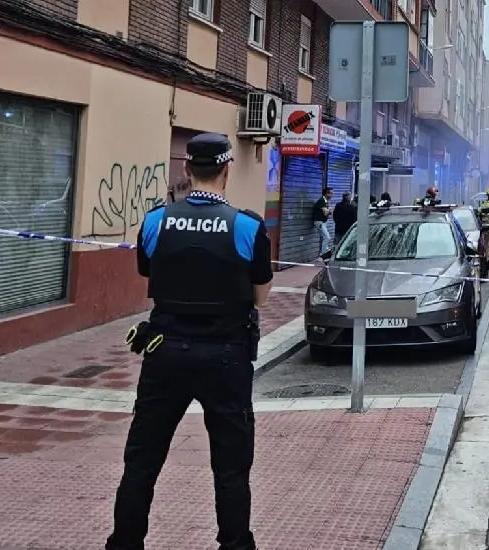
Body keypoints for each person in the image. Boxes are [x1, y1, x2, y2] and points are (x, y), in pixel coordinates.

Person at [106, 133, 272, 550]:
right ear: (227, 170)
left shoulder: (156, 220)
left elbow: (148, 273)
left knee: (141, 462)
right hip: (226, 356)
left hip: (164, 351)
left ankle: (125, 543)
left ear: (186, 169)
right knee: (231, 468)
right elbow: (260, 296)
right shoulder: (249, 225)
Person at [312, 187, 333, 258]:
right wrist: (330, 211)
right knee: (327, 237)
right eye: (331, 193)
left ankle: (324, 251)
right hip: (319, 222)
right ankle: (324, 253)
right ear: (326, 193)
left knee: (324, 237)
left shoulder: (325, 201)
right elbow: (325, 212)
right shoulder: (322, 201)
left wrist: (329, 211)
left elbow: (327, 212)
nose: (332, 195)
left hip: (323, 222)